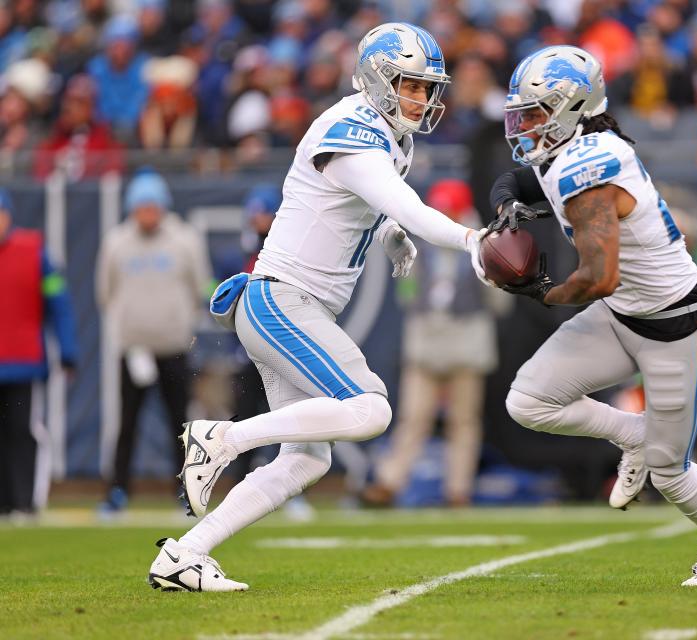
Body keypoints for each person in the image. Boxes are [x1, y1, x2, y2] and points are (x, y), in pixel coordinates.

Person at [148, 23, 486, 592]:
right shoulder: (352, 129)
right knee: (371, 409)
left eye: (428, 88)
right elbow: (402, 200)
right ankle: (224, 439)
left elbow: (362, 205)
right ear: (378, 79)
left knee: (307, 459)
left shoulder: (385, 135)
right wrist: (471, 239)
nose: (423, 99)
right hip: (282, 301)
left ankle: (183, 555)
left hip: (288, 304)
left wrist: (389, 235)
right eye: (411, 84)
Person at [488, 45, 697, 586]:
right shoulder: (575, 150)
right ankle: (632, 433)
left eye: (536, 113)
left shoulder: (590, 166)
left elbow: (598, 278)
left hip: (674, 323)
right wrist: (505, 209)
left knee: (670, 472)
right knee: (528, 400)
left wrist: (539, 291)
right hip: (621, 314)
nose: (525, 125)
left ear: (572, 108)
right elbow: (512, 184)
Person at [362, 179, 509, 508]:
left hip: (466, 340)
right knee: (414, 417)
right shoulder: (421, 241)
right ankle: (390, 482)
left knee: (464, 420)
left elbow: (499, 303)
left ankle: (458, 490)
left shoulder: (484, 243)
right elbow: (407, 293)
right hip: (427, 340)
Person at [96, 171, 214, 513]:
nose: (147, 213)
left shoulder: (184, 240)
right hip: (133, 350)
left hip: (174, 348)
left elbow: (200, 286)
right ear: (132, 209)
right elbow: (105, 293)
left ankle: (187, 493)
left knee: (181, 426)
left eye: (152, 207)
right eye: (141, 207)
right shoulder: (116, 242)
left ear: (162, 207)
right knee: (126, 425)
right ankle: (117, 492)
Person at [0, 189, 77, 518]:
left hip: (23, 363)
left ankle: (25, 502)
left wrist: (67, 350)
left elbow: (59, 304)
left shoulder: (34, 253)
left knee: (23, 431)